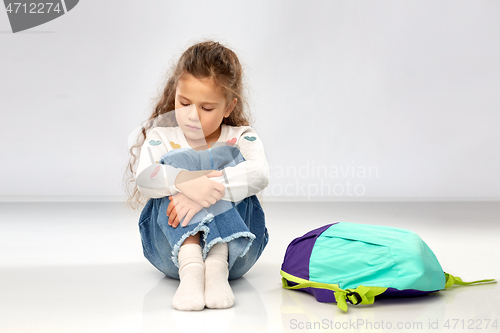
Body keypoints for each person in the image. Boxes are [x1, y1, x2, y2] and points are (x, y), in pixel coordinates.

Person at [123, 40, 270, 311]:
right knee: (171, 165)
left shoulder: (241, 136)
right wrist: (187, 182)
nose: (192, 116)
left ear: (228, 108)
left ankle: (215, 265)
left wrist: (205, 189)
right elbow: (145, 178)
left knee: (234, 160)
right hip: (171, 254)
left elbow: (260, 174)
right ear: (175, 92)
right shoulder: (161, 137)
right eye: (184, 102)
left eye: (207, 108)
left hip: (237, 254)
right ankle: (192, 268)